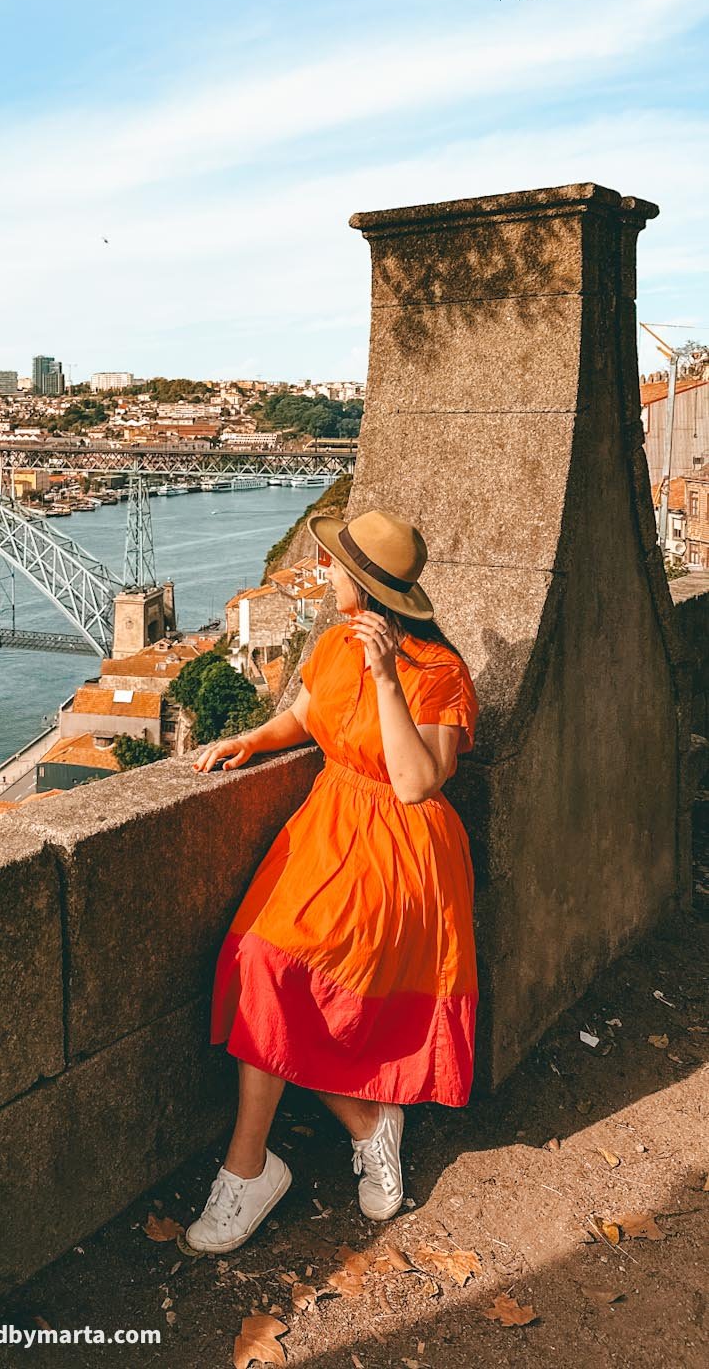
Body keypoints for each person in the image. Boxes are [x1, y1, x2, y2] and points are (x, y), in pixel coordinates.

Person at [183, 508, 479, 1255]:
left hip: (400, 849)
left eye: (336, 566)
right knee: (262, 965)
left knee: (290, 976)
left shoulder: (438, 674)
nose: (325, 573)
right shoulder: (335, 642)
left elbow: (416, 783)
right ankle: (358, 1126)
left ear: (369, 587)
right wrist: (250, 739)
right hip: (329, 826)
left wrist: (387, 678)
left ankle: (255, 1168)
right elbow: (306, 716)